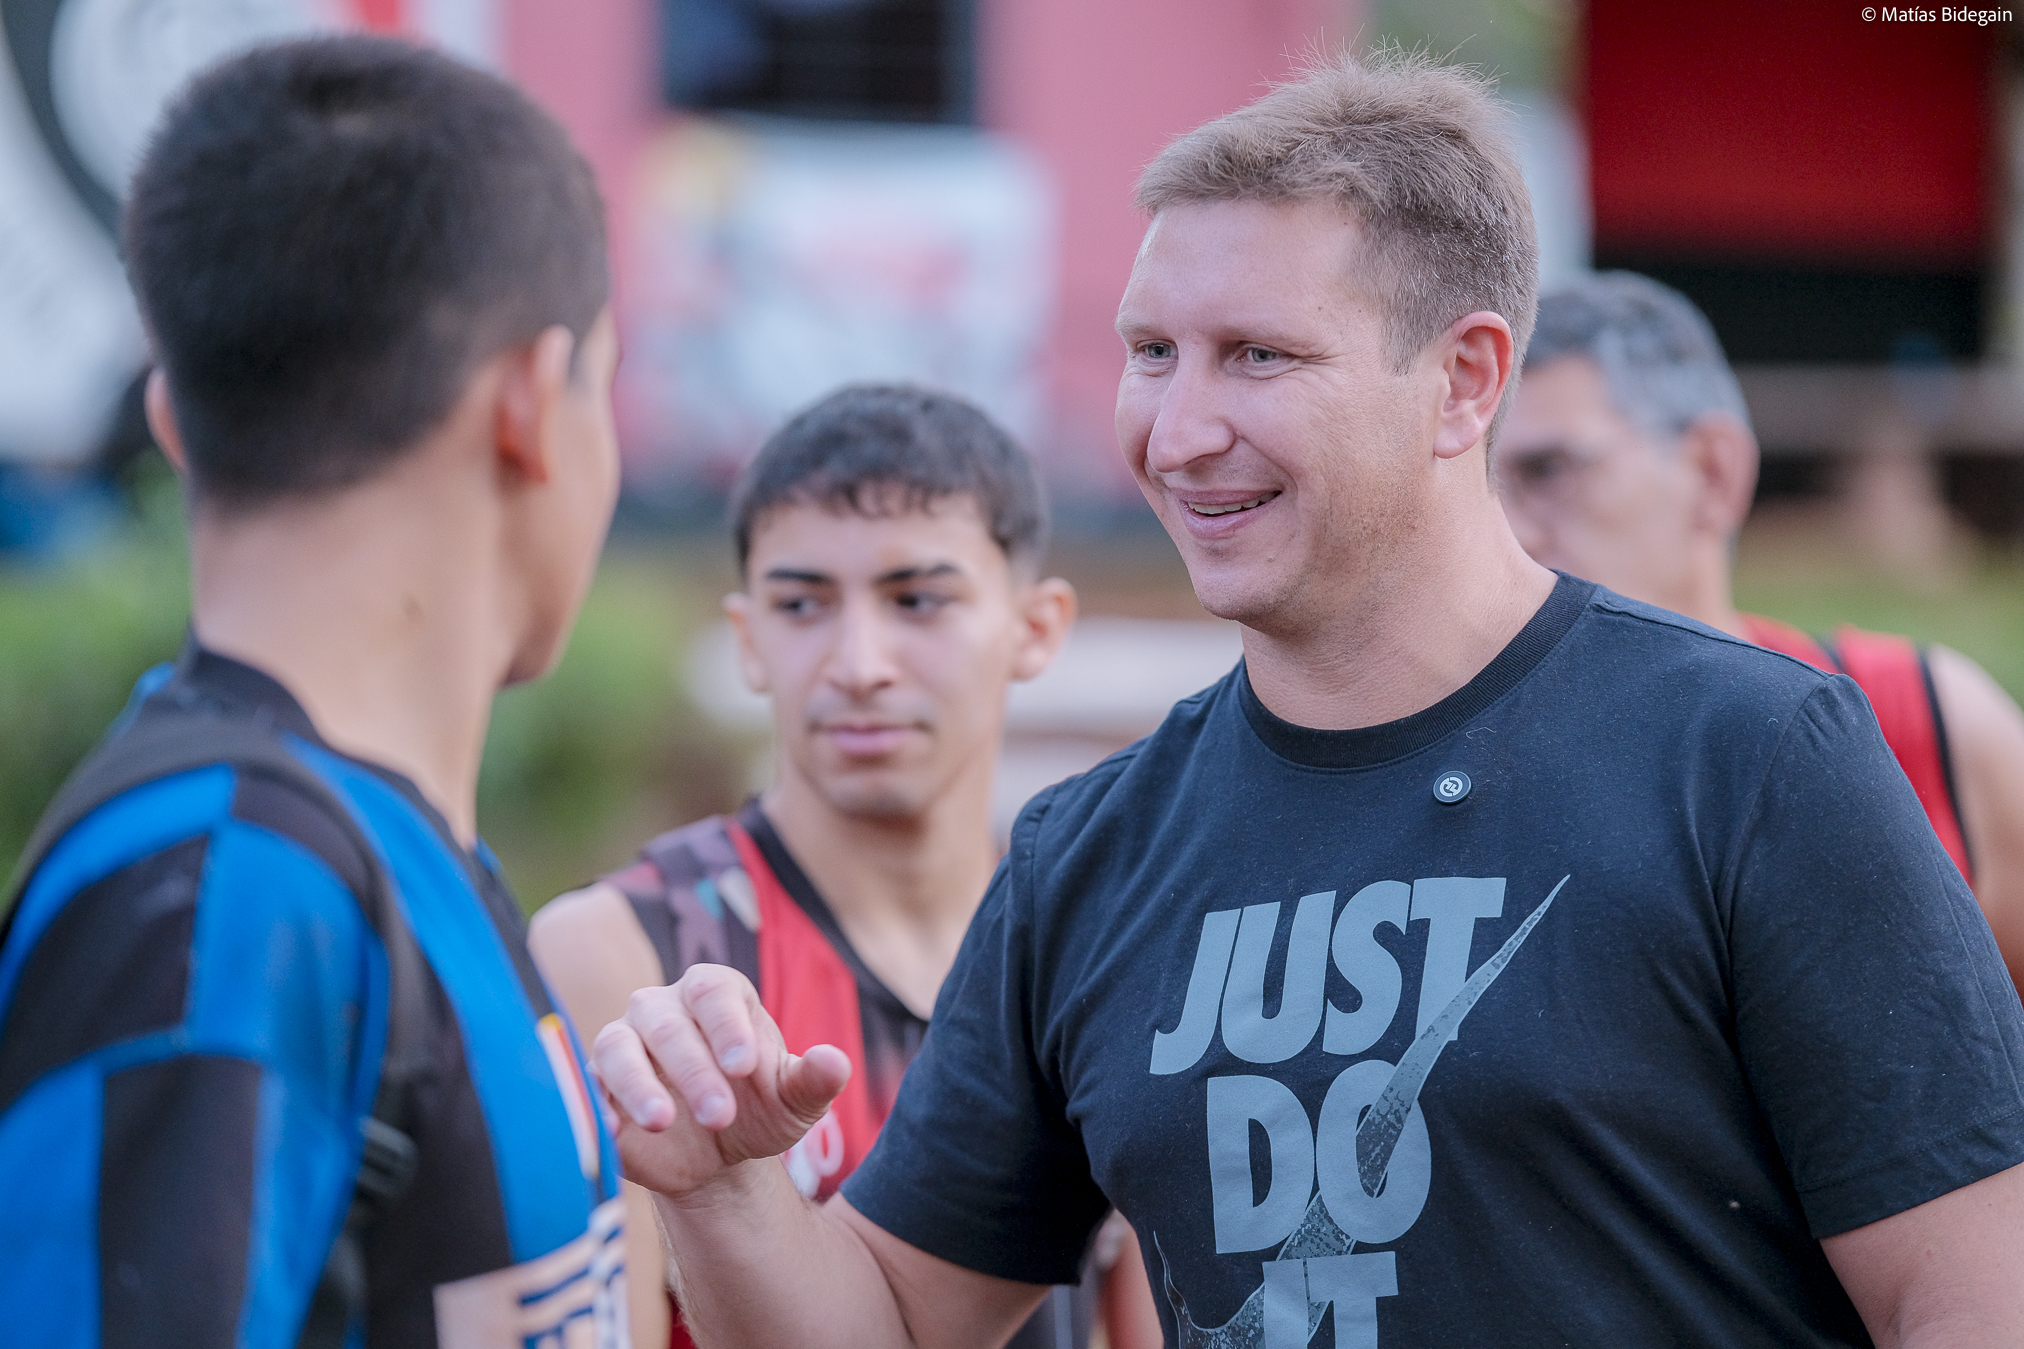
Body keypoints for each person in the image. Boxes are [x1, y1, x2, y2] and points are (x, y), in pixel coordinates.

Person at [589, 50, 2024, 1348]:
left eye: (1258, 355)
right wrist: (725, 1189)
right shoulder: (1086, 856)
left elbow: (1971, 1298)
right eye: (1151, 352)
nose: (1175, 432)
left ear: (1462, 381)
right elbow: (894, 1324)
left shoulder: (1751, 757)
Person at [0, 37, 629, 1345]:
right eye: (605, 389)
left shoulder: (380, 854)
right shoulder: (221, 882)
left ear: (172, 422)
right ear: (528, 401)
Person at [529, 383, 1161, 1348]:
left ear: (1035, 627)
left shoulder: (1107, 946)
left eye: (917, 599)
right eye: (802, 603)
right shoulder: (626, 953)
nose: (859, 662)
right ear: (749, 639)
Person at [1498, 270, 2024, 991]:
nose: (1508, 528)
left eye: (1548, 470)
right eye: (1483, 486)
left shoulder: (1921, 723)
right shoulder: (1454, 765)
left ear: (1713, 471)